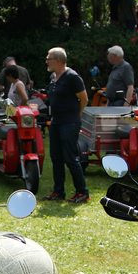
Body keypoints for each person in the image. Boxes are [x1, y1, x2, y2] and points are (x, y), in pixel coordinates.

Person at [41, 47, 88, 204]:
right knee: (56, 157)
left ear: (59, 60)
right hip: (56, 122)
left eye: (49, 58)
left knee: (70, 157)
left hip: (69, 122)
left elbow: (84, 98)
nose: (47, 61)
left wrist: (77, 116)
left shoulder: (72, 77)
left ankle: (82, 192)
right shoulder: (53, 77)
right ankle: (58, 191)